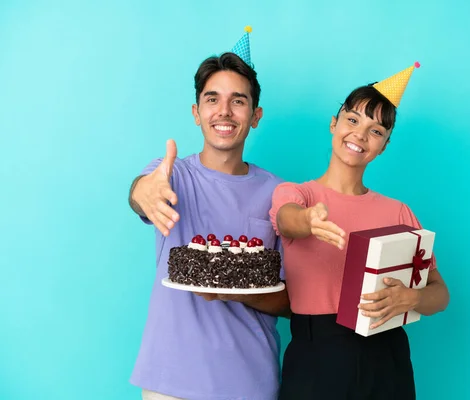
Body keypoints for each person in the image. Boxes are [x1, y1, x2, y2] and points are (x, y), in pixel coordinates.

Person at [269, 63, 450, 400]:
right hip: (316, 356)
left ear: (383, 146)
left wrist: (413, 298)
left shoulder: (398, 211)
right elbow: (286, 219)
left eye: (376, 131)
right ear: (333, 123)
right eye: (353, 120)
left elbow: (441, 293)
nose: (361, 135)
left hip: (387, 355)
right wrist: (308, 220)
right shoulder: (298, 195)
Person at [128, 28, 289, 400]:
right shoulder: (172, 175)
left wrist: (235, 289)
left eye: (238, 101)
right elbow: (142, 191)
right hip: (171, 379)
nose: (224, 111)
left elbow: (293, 303)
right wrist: (142, 191)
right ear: (197, 113)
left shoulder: (280, 194)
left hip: (250, 381)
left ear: (255, 115)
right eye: (212, 99)